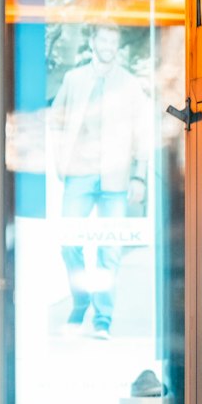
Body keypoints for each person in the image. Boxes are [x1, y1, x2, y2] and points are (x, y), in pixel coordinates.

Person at [50, 23, 149, 339]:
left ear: (117, 45)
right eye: (103, 39)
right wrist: (59, 160)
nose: (108, 45)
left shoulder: (130, 85)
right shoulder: (74, 79)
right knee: (69, 245)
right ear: (93, 41)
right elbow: (56, 119)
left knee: (110, 251)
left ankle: (102, 318)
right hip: (79, 174)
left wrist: (139, 176)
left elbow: (141, 134)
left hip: (116, 179)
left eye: (113, 40)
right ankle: (80, 302)